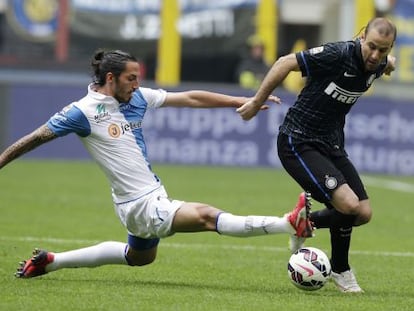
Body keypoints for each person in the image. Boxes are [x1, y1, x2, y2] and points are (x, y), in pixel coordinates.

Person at [0, 49, 313, 279]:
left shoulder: (135, 98)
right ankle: (287, 223)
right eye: (131, 78)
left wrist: (243, 101)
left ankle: (51, 261)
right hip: (140, 204)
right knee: (207, 216)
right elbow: (36, 137)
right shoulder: (81, 112)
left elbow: (189, 98)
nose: (137, 84)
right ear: (111, 78)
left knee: (138, 258)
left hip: (145, 197)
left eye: (138, 77)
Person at [236, 17, 397, 293]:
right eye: (371, 46)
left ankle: (303, 222)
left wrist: (389, 64)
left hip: (331, 144)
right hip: (298, 140)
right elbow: (285, 63)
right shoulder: (338, 55)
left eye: (382, 50)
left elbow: (388, 63)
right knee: (348, 205)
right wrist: (256, 101)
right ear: (361, 37)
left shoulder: (380, 62)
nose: (375, 55)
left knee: (363, 213)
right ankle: (341, 269)